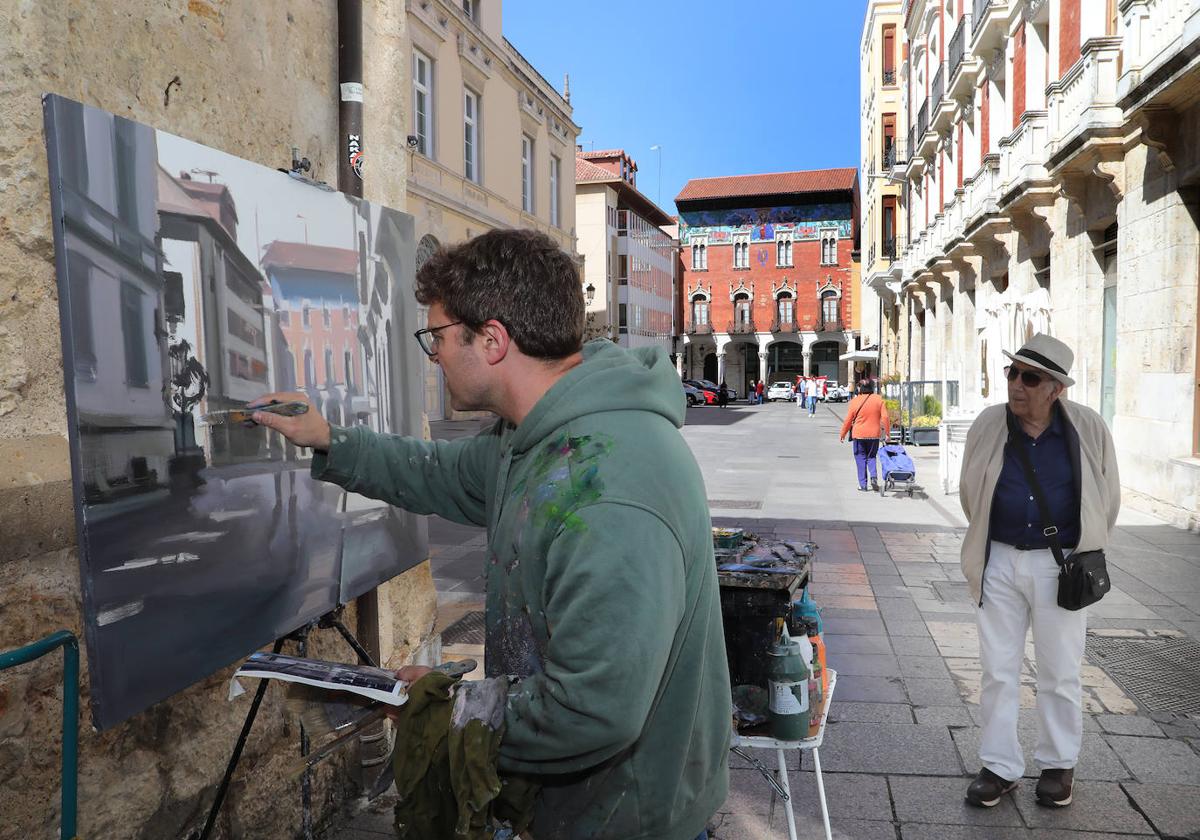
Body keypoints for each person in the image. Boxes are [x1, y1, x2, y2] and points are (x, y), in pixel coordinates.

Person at [251, 229, 730, 840]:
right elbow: (436, 472)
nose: (435, 356)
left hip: (625, 817)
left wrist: (444, 708)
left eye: (439, 338)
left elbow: (592, 710)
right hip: (567, 806)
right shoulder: (529, 438)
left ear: (493, 340)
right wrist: (329, 440)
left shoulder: (610, 487)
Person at [958, 334, 1120, 810]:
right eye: (1013, 373)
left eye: (1030, 377)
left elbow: (1106, 498)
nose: (1016, 384)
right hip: (1000, 559)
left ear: (1056, 389)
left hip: (1061, 565)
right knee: (997, 671)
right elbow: (972, 490)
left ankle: (1057, 764)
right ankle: (999, 766)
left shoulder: (1087, 428)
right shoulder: (990, 424)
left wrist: (1083, 549)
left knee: (1061, 671)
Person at [838, 381, 889, 491]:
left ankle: (863, 485)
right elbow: (885, 417)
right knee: (871, 456)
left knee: (860, 458)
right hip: (874, 435)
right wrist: (887, 433)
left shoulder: (854, 401)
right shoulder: (879, 400)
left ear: (860, 389)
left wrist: (843, 433)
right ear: (872, 388)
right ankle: (874, 477)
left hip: (859, 435)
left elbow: (848, 420)